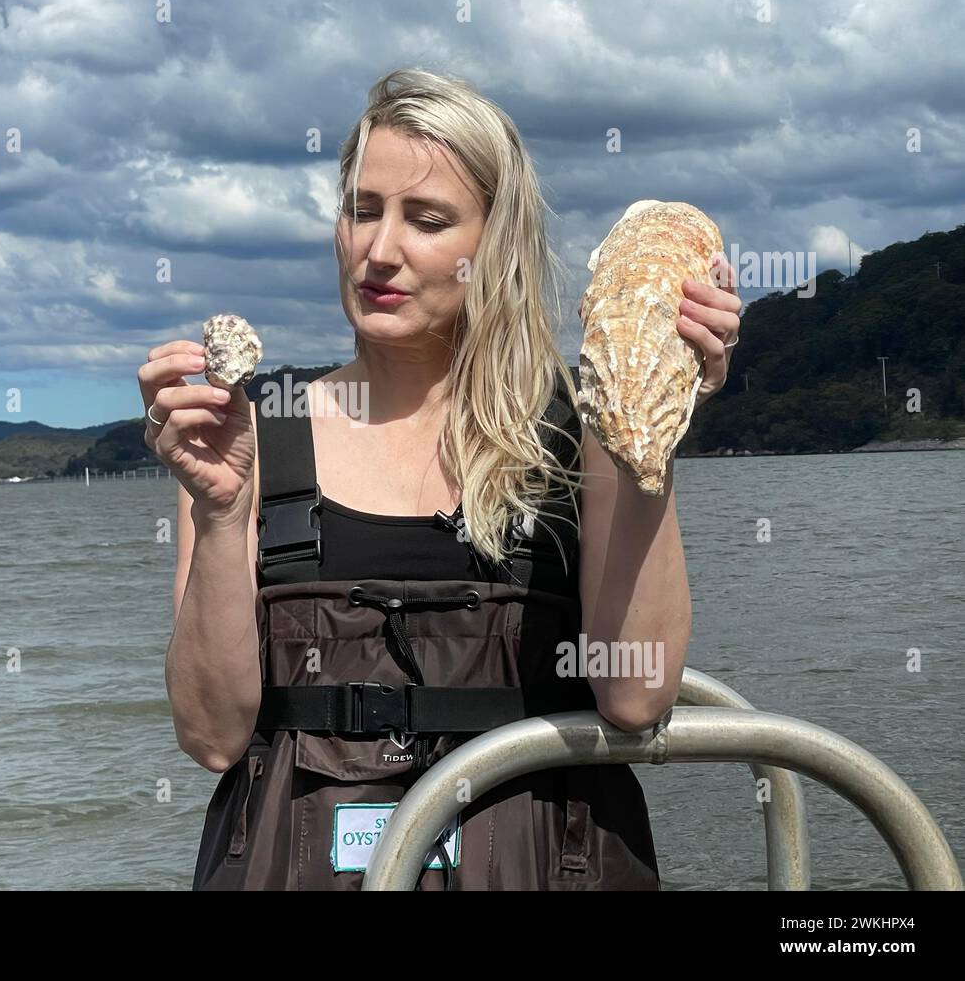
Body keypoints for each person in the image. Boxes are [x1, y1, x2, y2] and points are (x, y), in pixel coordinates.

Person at [138, 68, 742, 890]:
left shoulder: (575, 434)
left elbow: (635, 696)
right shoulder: (252, 438)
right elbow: (211, 736)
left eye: (426, 219)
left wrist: (651, 418)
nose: (379, 249)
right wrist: (219, 513)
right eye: (361, 210)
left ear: (494, 244)